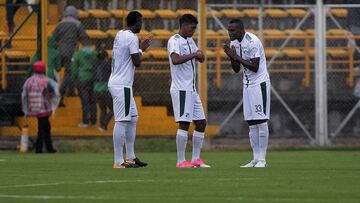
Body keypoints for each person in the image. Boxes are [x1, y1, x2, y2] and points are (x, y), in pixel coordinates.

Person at [223, 19, 271, 168]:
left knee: (261, 121)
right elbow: (236, 69)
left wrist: (234, 55)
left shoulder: (253, 41)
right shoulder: (234, 44)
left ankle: (262, 159)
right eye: (229, 30)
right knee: (251, 122)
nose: (230, 33)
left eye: (233, 30)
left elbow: (255, 67)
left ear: (241, 30)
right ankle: (255, 159)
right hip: (247, 85)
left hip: (259, 84)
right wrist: (231, 56)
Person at [108, 11, 151, 169]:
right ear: (136, 23)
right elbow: (136, 61)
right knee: (122, 121)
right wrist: (142, 49)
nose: (142, 25)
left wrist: (138, 48)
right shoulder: (132, 37)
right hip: (122, 85)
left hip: (118, 83)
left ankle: (131, 157)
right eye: (140, 22)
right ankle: (118, 161)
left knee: (133, 118)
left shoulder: (120, 34)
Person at [167, 14, 210, 168]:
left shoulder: (190, 40)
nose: (194, 30)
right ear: (184, 25)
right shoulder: (174, 40)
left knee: (201, 123)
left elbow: (200, 56)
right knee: (184, 123)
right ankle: (180, 161)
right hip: (181, 89)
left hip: (192, 89)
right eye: (192, 27)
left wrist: (200, 56)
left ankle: (196, 159)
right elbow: (175, 60)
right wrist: (194, 55)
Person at [21, 61, 60, 153]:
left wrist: (25, 109)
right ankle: (40, 148)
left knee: (46, 127)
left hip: (33, 108)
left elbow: (24, 96)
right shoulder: (47, 81)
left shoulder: (28, 81)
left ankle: (48, 148)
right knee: (43, 128)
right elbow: (56, 93)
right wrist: (53, 106)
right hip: (44, 108)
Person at [53, 5, 88, 107]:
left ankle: (69, 91)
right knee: (69, 73)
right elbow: (84, 39)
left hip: (59, 52)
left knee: (58, 73)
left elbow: (53, 37)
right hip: (71, 53)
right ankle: (60, 94)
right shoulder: (78, 24)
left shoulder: (60, 24)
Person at [71, 37, 97, 127]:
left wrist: (74, 79)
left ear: (82, 44)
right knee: (93, 100)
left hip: (82, 78)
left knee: (85, 101)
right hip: (93, 78)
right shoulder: (94, 54)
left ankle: (85, 121)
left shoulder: (78, 54)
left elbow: (74, 68)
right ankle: (93, 121)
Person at [93, 47, 113, 131]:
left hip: (96, 89)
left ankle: (102, 126)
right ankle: (104, 125)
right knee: (113, 109)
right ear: (106, 57)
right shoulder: (108, 65)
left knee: (103, 109)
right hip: (105, 89)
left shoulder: (95, 65)